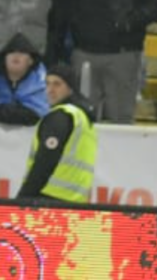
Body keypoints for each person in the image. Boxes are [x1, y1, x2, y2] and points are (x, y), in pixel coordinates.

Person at [18, 65, 99, 203]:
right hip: (75, 201)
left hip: (48, 198)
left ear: (70, 88)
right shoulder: (83, 118)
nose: (50, 90)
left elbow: (45, 162)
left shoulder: (61, 116)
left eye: (57, 84)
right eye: (47, 84)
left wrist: (23, 198)